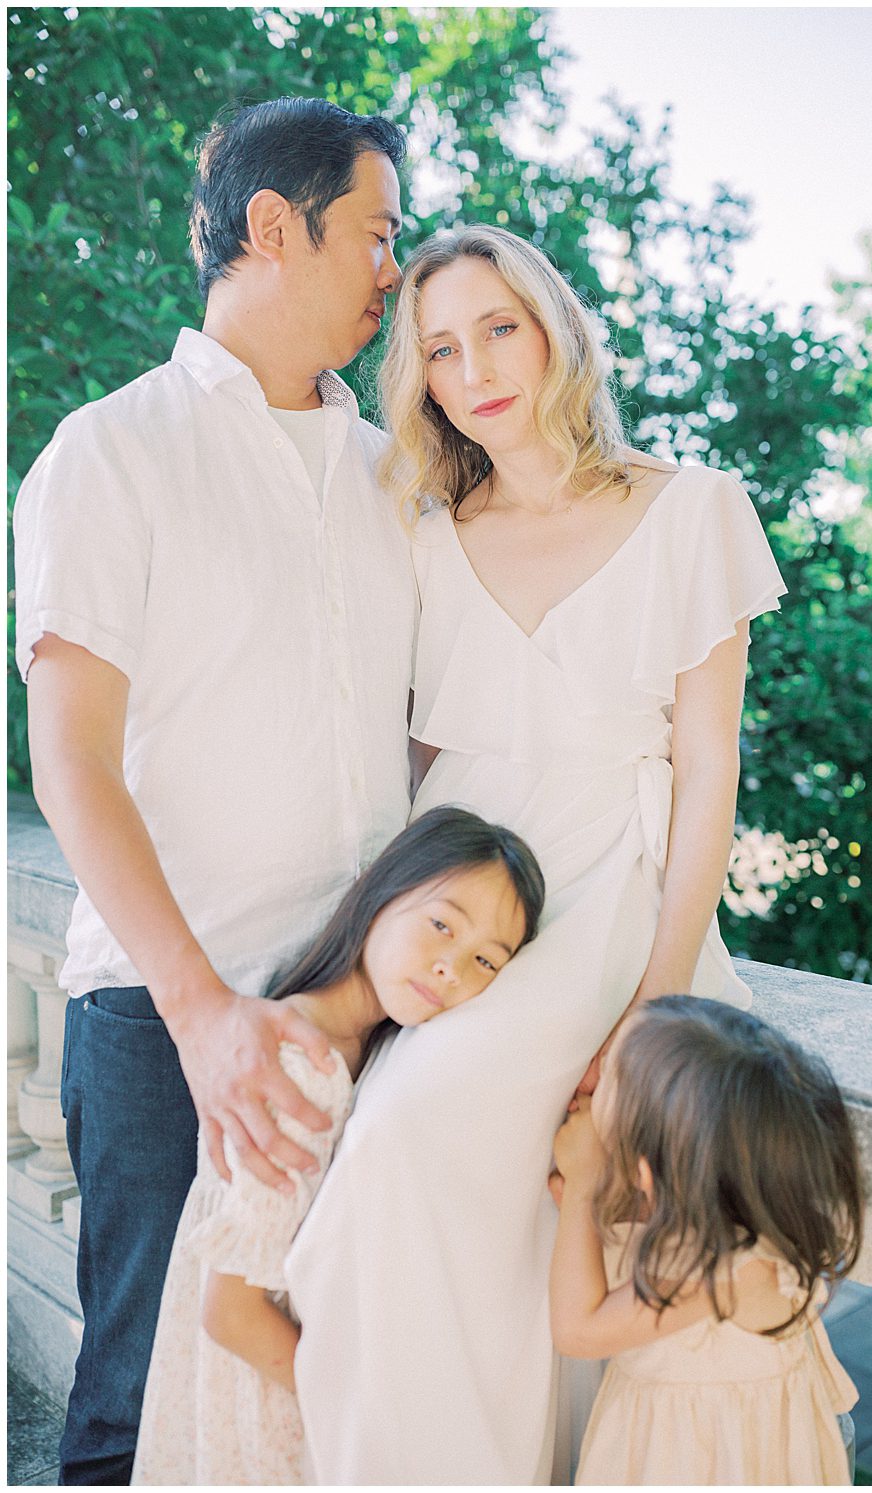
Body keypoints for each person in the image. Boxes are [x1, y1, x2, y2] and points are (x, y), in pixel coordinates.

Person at [288, 224, 788, 1483]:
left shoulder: (692, 509)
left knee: (422, 1129)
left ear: (554, 325)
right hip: (467, 894)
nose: (475, 368)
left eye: (497, 327)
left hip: (614, 885)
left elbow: (710, 766)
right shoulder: (422, 526)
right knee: (422, 1170)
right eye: (441, 348)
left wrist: (654, 998)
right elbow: (408, 762)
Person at [13, 98, 412, 1485]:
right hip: (169, 1018)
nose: (392, 273)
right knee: (135, 1405)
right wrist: (203, 1016)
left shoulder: (392, 475)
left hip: (364, 1016)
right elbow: (68, 757)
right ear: (270, 227)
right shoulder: (108, 452)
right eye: (375, 233)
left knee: (315, 1410)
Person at [131, 805, 544, 1485]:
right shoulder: (304, 1068)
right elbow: (230, 1313)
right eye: (442, 923)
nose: (450, 967)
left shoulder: (358, 1050)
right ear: (383, 892)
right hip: (263, 1397)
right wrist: (358, 1408)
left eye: (484, 960)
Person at [549, 996, 862, 1486]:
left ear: (650, 1164)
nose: (591, 1076)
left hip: (712, 1461)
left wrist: (583, 1189)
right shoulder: (699, 1202)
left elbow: (578, 1331)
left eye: (609, 1071)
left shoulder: (739, 1271)